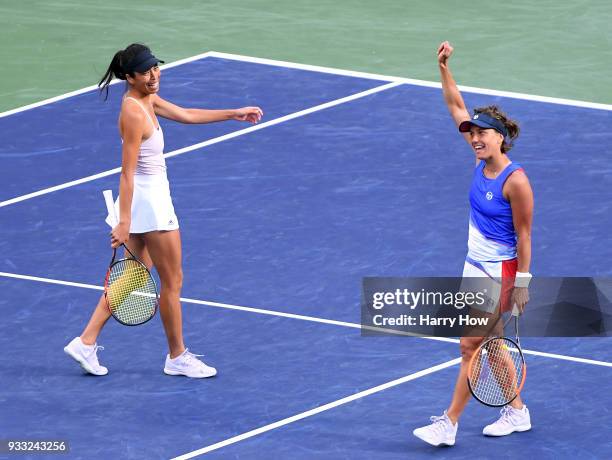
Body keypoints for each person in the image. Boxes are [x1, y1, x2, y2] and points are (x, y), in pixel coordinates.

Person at [64, 43, 263, 378]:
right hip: (150, 203)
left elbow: (185, 114)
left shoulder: (146, 99)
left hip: (148, 199)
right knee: (172, 281)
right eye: (146, 71)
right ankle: (177, 356)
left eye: (156, 68)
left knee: (134, 274)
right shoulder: (132, 112)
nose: (154, 75)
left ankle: (85, 341)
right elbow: (126, 172)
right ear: (130, 77)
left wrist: (233, 113)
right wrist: (124, 221)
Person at [412, 41, 534, 446]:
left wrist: (523, 283)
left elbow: (524, 234)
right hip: (475, 264)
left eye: (482, 134)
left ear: (500, 138)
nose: (475, 138)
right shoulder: (479, 160)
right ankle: (517, 412)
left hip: (499, 270)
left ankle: (449, 422)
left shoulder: (515, 180)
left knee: (469, 346)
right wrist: (444, 67)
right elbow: (455, 106)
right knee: (492, 342)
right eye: (473, 134)